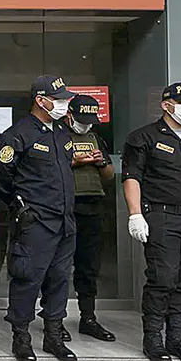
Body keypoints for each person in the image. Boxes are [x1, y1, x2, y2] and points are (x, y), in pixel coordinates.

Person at [0, 75, 79, 361]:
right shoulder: (19, 134)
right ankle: (22, 337)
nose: (65, 104)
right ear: (41, 100)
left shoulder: (61, 134)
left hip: (64, 221)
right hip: (36, 221)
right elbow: (3, 177)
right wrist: (20, 208)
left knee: (59, 280)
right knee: (27, 278)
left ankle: (53, 336)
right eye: (59, 99)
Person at [123, 82, 181, 361]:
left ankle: (178, 338)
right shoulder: (143, 138)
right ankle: (153, 337)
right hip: (162, 217)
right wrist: (135, 214)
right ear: (166, 104)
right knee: (163, 278)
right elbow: (132, 177)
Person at [62, 94, 116, 342]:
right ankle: (55, 318)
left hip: (92, 205)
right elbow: (50, 168)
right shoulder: (59, 135)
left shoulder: (95, 137)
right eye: (82, 119)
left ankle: (88, 318)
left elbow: (109, 175)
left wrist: (101, 161)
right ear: (69, 114)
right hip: (66, 206)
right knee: (58, 267)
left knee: (89, 267)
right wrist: (74, 161)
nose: (85, 124)